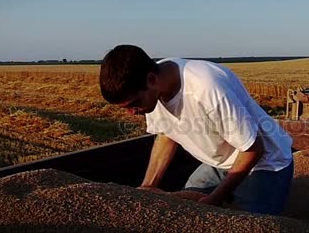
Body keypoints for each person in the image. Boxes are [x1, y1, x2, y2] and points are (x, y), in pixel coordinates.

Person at [99, 44, 294, 215]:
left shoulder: (207, 88)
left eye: (133, 104)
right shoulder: (154, 84)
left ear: (151, 79)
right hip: (220, 161)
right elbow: (166, 135)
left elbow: (254, 149)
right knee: (185, 208)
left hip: (266, 163)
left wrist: (215, 199)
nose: (131, 113)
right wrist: (148, 186)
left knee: (249, 223)